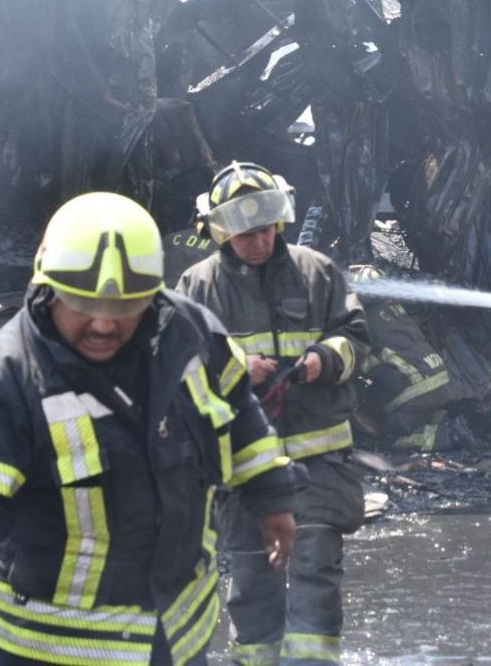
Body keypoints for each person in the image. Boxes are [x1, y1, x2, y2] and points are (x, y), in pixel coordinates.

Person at [0, 192, 297, 666]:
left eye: (124, 305)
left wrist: (271, 494)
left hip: (178, 638)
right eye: (83, 303)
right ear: (47, 287)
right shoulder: (4, 381)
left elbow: (239, 413)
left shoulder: (189, 334)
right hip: (54, 651)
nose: (104, 324)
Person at [175, 162, 369, 666]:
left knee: (316, 570)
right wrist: (236, 368)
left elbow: (357, 340)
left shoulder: (317, 271)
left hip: (319, 460)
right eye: (244, 235)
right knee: (252, 580)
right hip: (242, 470)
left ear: (279, 223)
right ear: (220, 232)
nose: (257, 243)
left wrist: (321, 361)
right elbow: (177, 370)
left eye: (264, 230)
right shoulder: (197, 286)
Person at [347, 264, 474, 452]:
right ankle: (440, 421)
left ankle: (449, 435)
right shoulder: (396, 310)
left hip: (416, 394)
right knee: (420, 413)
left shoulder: (360, 322)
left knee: (391, 438)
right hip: (444, 384)